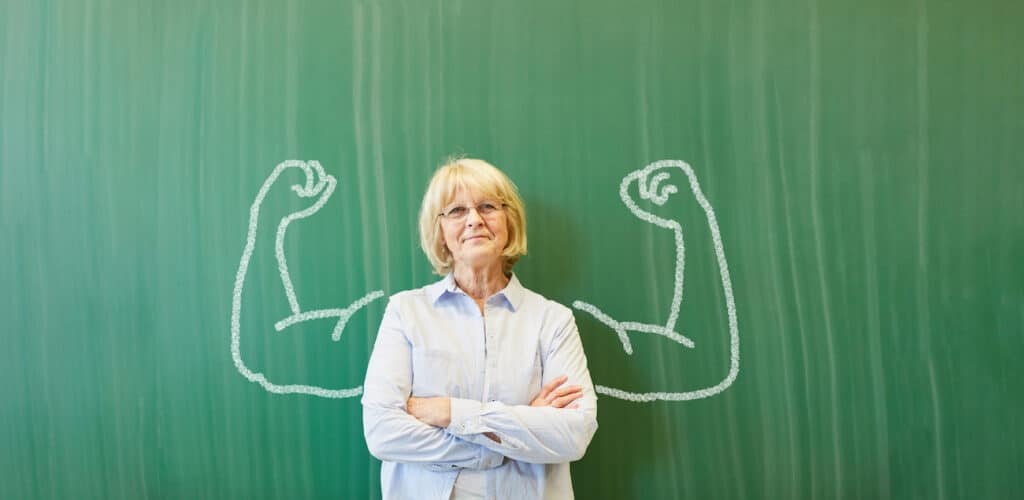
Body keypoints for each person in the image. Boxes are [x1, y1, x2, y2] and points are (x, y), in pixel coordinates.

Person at [362, 157, 599, 499]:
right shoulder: (406, 312)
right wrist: (512, 434)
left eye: (488, 206)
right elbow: (383, 432)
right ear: (440, 231)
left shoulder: (552, 320)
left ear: (509, 222)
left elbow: (574, 434)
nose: (474, 220)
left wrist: (451, 412)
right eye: (456, 211)